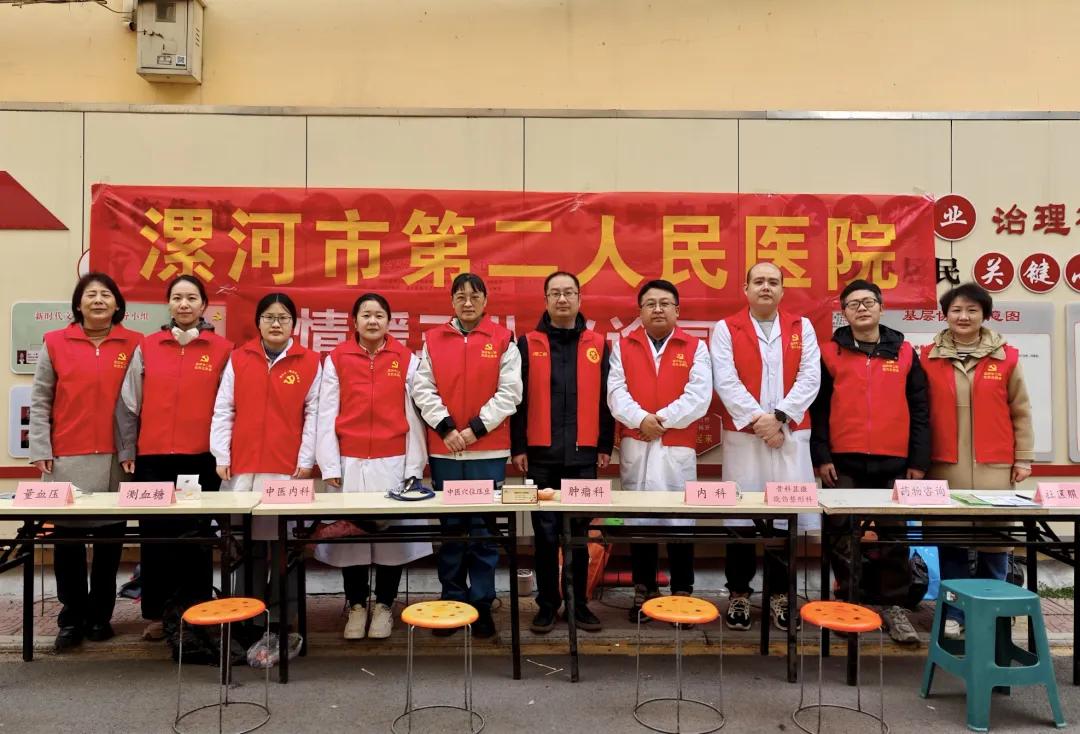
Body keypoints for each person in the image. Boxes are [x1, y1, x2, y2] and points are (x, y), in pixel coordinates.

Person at [809, 278, 930, 645]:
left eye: (868, 302)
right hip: (842, 460)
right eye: (853, 304)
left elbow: (920, 410)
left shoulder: (905, 352)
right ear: (843, 313)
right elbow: (818, 409)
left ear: (881, 307)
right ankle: (850, 603)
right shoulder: (830, 353)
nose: (861, 308)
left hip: (895, 460)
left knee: (894, 536)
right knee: (841, 534)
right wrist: (821, 456)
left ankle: (893, 606)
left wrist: (918, 461)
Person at [29, 273, 142, 650]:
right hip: (66, 456)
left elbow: (139, 402)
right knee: (68, 544)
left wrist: (131, 449)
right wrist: (41, 448)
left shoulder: (134, 343)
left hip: (116, 457)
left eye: (105, 294)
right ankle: (71, 617)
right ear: (78, 304)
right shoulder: (55, 342)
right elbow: (40, 399)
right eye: (90, 294)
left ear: (117, 304)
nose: (98, 300)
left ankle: (100, 617)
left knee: (110, 543)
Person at [117, 274, 233, 643]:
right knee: (156, 539)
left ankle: (195, 612)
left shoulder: (222, 349)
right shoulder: (147, 346)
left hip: (200, 460)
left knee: (197, 540)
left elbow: (229, 407)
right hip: (152, 459)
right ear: (168, 304)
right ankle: (157, 613)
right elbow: (129, 403)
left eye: (192, 298)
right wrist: (128, 449)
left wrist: (224, 454)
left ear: (204, 305)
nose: (184, 304)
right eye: (177, 298)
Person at [314, 293, 432, 640]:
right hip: (349, 461)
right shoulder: (337, 358)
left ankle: (384, 605)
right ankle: (355, 605)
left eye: (379, 315)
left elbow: (415, 415)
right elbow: (326, 412)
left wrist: (414, 466)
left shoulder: (405, 358)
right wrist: (330, 464)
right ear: (354, 321)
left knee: (390, 540)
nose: (372, 321)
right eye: (366, 315)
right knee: (351, 538)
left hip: (393, 460)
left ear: (389, 321)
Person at [710, 261, 820, 632]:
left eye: (773, 282)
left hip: (789, 434)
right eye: (758, 281)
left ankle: (780, 595)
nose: (766, 287)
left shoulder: (802, 326)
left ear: (783, 290)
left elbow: (810, 377)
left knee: (784, 518)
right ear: (745, 289)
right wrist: (762, 421)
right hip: (746, 436)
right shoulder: (726, 328)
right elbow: (725, 380)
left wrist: (781, 417)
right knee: (741, 518)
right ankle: (739, 594)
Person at [413, 273, 522, 638]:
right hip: (446, 451)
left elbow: (510, 392)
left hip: (487, 450)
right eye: (460, 296)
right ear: (452, 302)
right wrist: (446, 429)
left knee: (483, 531)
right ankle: (451, 601)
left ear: (486, 301)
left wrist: (475, 429)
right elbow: (422, 388)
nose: (468, 302)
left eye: (475, 296)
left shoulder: (503, 339)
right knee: (451, 530)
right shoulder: (433, 339)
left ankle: (482, 604)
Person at [923, 282, 1033, 639]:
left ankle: (992, 613)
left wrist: (1023, 458)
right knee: (951, 543)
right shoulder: (928, 357)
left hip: (994, 466)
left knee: (994, 544)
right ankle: (954, 613)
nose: (963, 316)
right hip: (944, 465)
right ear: (945, 315)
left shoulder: (1006, 357)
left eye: (972, 310)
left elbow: (1021, 411)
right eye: (956, 310)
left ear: (985, 314)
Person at [210, 293, 321, 642]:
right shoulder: (239, 358)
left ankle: (283, 616)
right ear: (258, 322)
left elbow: (314, 415)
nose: (276, 323)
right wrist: (221, 455)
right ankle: (248, 617)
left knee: (285, 546)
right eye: (269, 317)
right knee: (248, 546)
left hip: (288, 468)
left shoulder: (310, 361)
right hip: (243, 466)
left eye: (283, 317)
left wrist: (306, 460)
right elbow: (224, 408)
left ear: (294, 324)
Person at [510, 272, 615, 634]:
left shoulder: (598, 344)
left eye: (569, 293)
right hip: (541, 455)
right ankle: (547, 604)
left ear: (580, 298)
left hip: (584, 455)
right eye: (555, 293)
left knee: (579, 535)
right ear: (546, 300)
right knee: (545, 536)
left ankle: (578, 603)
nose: (562, 299)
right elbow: (518, 401)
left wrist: (604, 444)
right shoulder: (528, 343)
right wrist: (519, 447)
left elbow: (607, 399)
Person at [608, 279, 711, 621]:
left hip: (676, 447)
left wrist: (660, 421)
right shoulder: (624, 346)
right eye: (650, 304)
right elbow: (615, 393)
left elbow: (699, 396)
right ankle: (644, 590)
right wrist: (641, 419)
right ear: (640, 312)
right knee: (640, 520)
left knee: (680, 521)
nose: (657, 309)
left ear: (677, 311)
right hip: (637, 443)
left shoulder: (694, 346)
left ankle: (682, 592)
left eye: (665, 303)